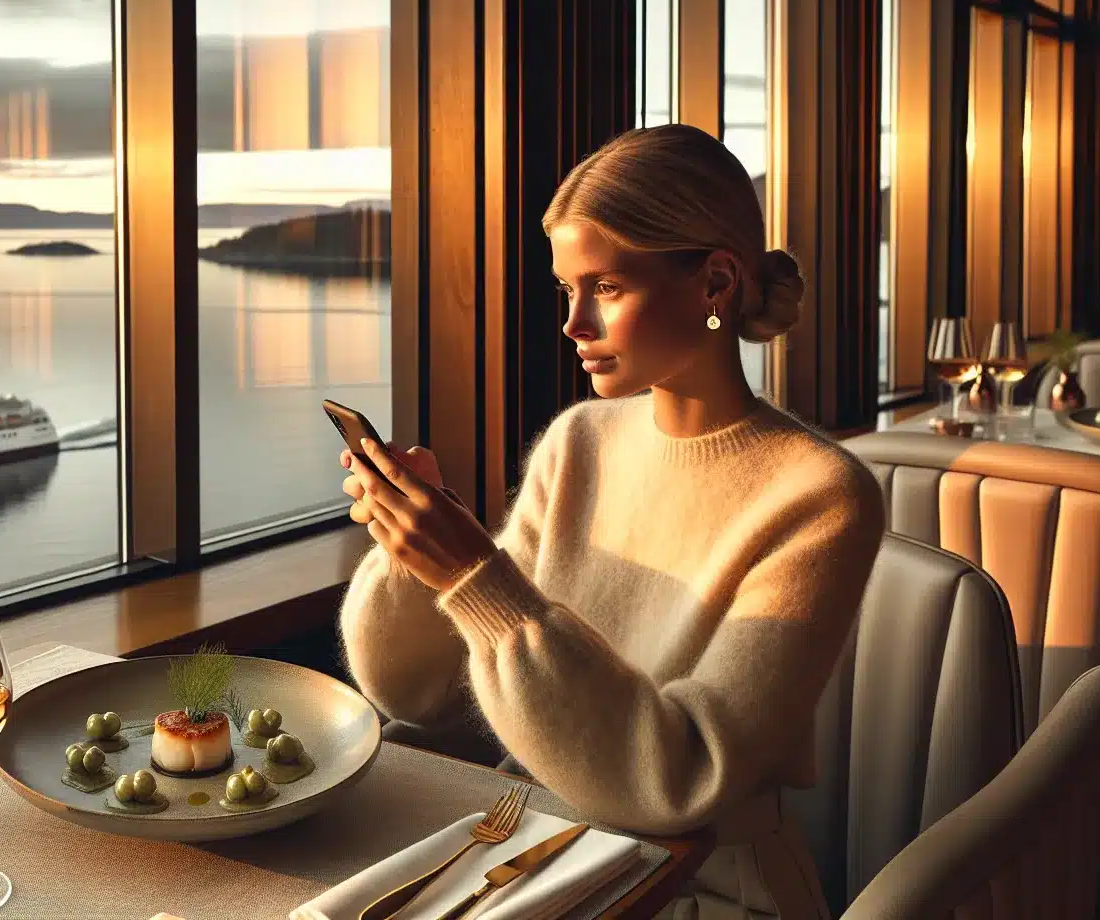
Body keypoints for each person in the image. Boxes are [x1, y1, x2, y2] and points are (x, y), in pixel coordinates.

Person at [337, 123, 886, 919]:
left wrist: (473, 576)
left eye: (607, 288)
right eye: (567, 291)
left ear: (715, 284)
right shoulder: (578, 443)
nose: (573, 324)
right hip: (539, 852)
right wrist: (416, 555)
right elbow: (424, 694)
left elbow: (679, 781)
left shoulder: (820, 494)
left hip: (703, 886)